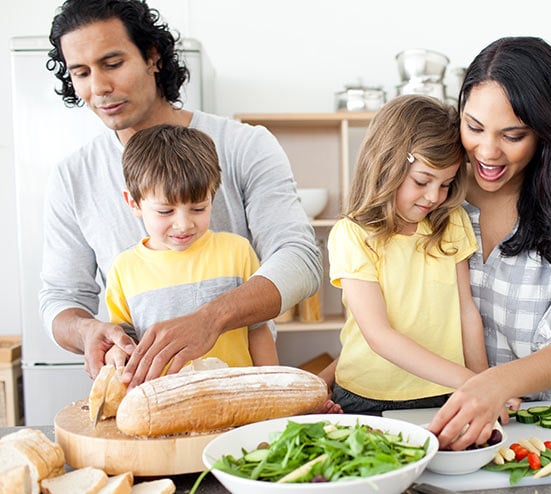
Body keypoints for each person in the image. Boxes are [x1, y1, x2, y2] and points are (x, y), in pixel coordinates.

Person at [42, 0, 321, 387]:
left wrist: (211, 319)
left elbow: (300, 260)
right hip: (149, 394)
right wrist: (87, 331)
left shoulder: (245, 145)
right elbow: (60, 297)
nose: (99, 87)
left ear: (152, 57)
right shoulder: (72, 177)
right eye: (82, 73)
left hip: (238, 387)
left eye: (112, 64)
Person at [428, 37, 551, 449]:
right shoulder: (435, 192)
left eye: (512, 135)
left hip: (548, 427)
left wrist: (494, 385)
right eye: (474, 127)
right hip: (436, 421)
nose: (487, 151)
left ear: (546, 131)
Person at [327, 95, 490, 414]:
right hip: (368, 397)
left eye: (445, 184)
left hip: (445, 392)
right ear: (386, 165)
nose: (434, 197)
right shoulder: (353, 235)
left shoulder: (450, 221)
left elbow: (466, 311)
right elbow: (379, 336)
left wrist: (484, 382)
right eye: (422, 181)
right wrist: (470, 381)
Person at [102, 124, 275, 369]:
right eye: (165, 211)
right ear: (134, 203)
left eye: (198, 208)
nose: (183, 225)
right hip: (164, 403)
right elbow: (124, 346)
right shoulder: (124, 269)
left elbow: (258, 331)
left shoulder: (237, 252)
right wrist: (114, 356)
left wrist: (273, 390)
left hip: (237, 399)